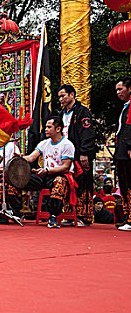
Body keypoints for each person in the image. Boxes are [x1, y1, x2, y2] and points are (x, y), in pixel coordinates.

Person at [15, 117, 75, 228]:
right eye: (46, 127)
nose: (46, 129)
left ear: (58, 129)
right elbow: (31, 158)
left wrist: (47, 170)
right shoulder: (44, 143)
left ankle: (53, 216)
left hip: (61, 176)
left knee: (59, 182)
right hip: (45, 175)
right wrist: (21, 157)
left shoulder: (67, 144)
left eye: (49, 127)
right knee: (18, 180)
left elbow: (66, 167)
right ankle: (15, 213)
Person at [58, 84, 96, 225]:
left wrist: (85, 152)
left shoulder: (82, 112)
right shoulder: (61, 114)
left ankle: (84, 217)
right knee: (68, 183)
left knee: (83, 184)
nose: (61, 99)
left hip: (80, 154)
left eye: (63, 96)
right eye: (59, 97)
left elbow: (87, 133)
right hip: (67, 155)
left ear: (72, 95)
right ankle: (69, 215)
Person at [114, 77, 131, 231]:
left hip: (127, 151)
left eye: (121, 89)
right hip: (121, 152)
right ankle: (127, 217)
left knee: (129, 185)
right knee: (124, 186)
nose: (118, 92)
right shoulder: (126, 107)